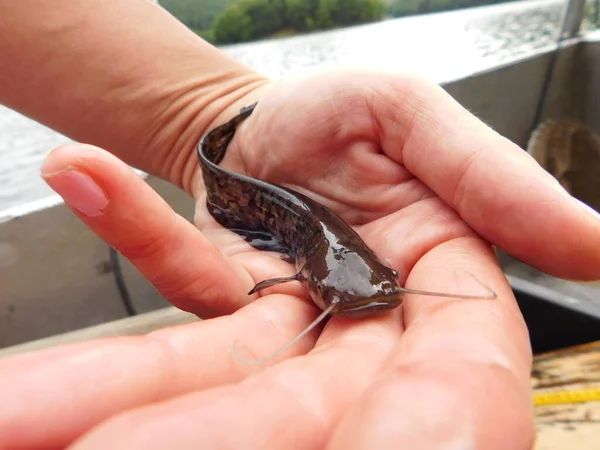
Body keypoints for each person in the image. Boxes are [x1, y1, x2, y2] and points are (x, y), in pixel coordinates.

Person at [1, 1, 599, 448]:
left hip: (289, 213)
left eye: (381, 280)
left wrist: (206, 111)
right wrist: (200, 124)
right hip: (273, 205)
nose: (367, 292)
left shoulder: (355, 267)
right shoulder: (309, 250)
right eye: (335, 289)